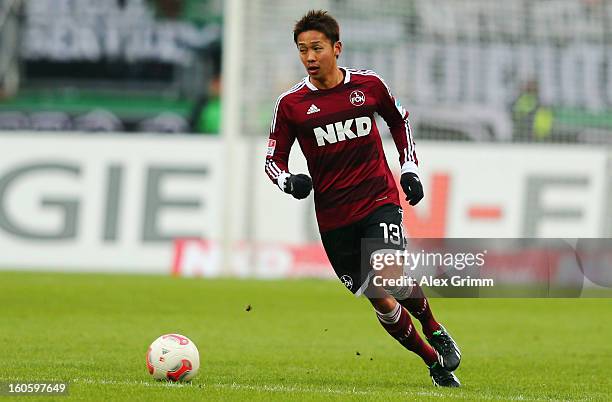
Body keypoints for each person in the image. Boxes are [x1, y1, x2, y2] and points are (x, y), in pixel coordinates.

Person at [264, 10, 461, 387]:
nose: (309, 57)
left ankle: (434, 327)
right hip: (334, 216)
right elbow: (273, 160)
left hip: (377, 198)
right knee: (381, 299)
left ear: (336, 48)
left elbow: (399, 119)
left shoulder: (368, 85)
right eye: (302, 50)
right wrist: (289, 181)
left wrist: (410, 168)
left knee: (388, 274)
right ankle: (433, 361)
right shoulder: (291, 105)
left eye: (317, 48)